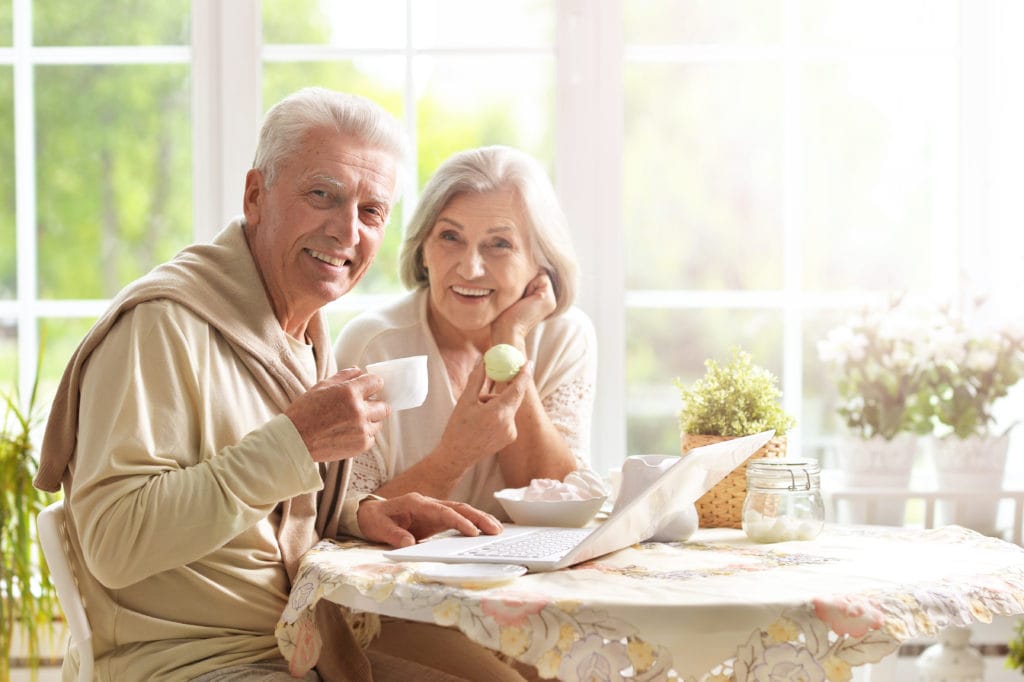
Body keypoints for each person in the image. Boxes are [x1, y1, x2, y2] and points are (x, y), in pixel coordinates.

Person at [33, 88, 532, 682]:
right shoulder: (162, 325)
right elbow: (114, 542)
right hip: (194, 662)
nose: (347, 230)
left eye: (371, 212)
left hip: (297, 640)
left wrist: (361, 513)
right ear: (255, 196)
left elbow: (269, 508)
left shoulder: (298, 329)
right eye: (323, 195)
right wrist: (295, 441)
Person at [333, 145, 597, 526]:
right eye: (450, 237)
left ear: (541, 261)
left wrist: (509, 339)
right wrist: (455, 454)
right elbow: (350, 521)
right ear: (423, 250)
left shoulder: (565, 336)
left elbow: (555, 507)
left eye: (500, 244)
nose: (470, 269)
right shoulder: (374, 343)